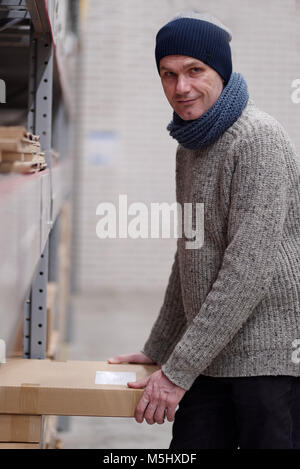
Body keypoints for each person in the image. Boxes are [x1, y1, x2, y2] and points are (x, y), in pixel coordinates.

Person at [108, 11, 300, 449]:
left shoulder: (256, 139)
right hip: (211, 353)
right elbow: (191, 254)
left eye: (195, 70)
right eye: (168, 74)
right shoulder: (193, 145)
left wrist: (177, 370)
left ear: (222, 71)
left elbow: (247, 269)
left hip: (267, 362)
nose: (181, 87)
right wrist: (162, 345)